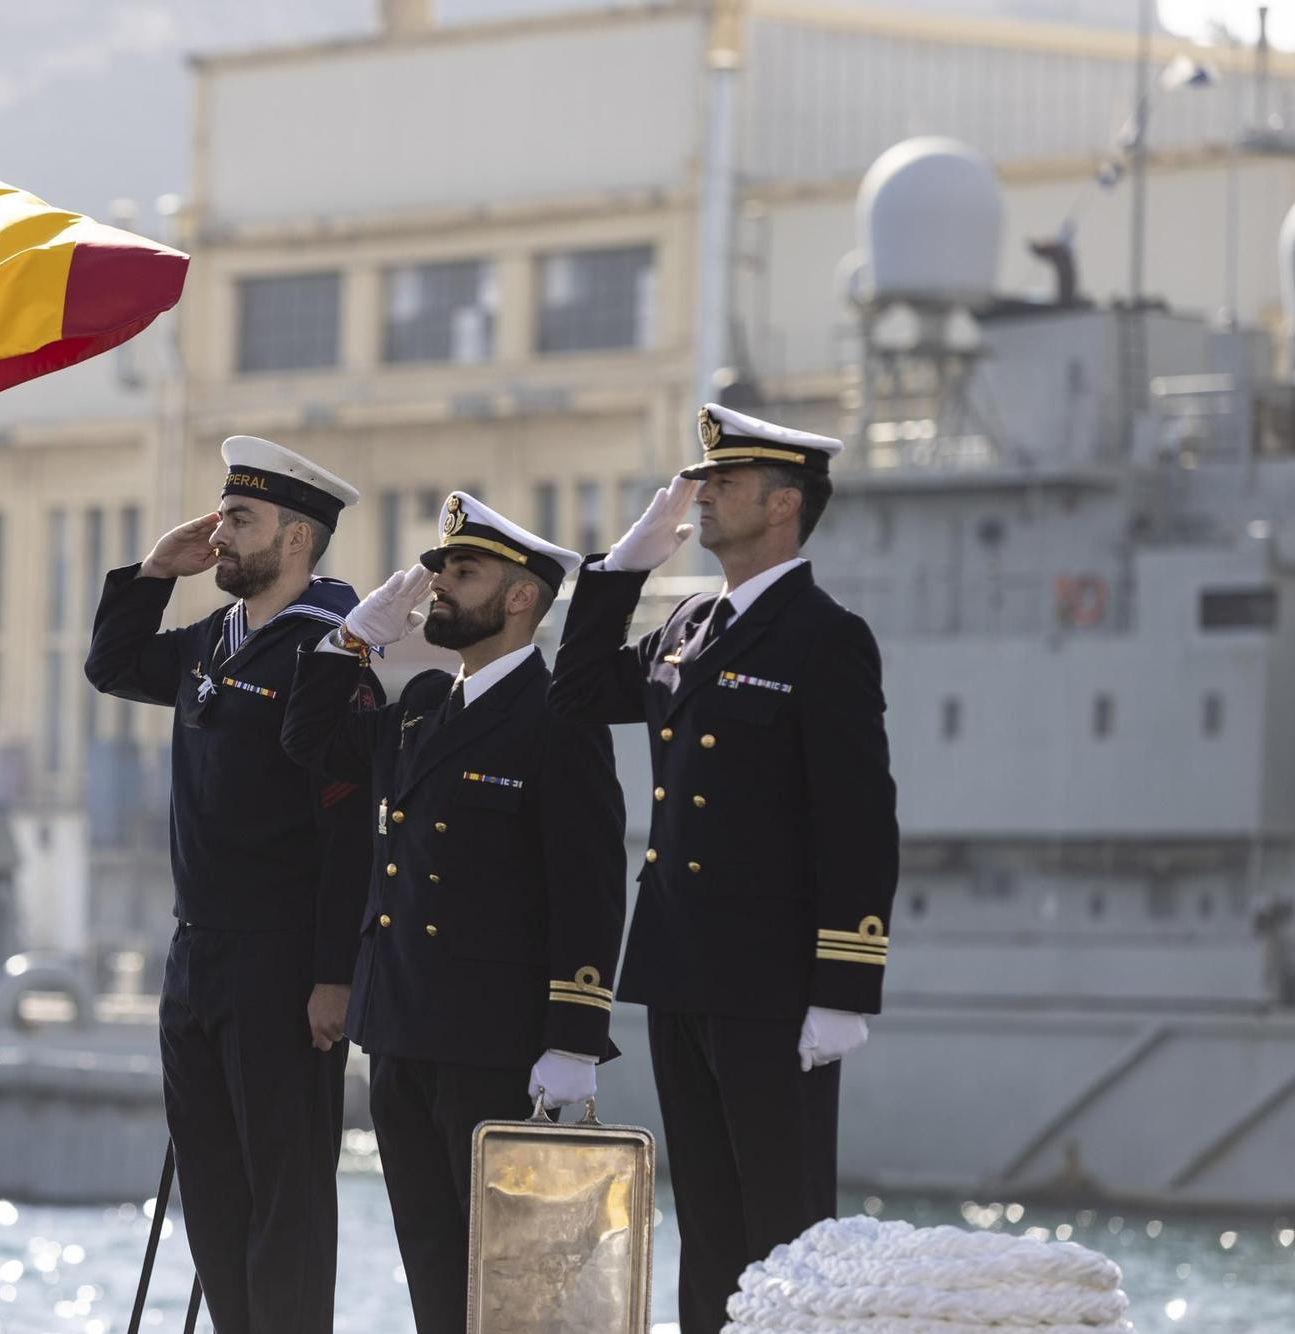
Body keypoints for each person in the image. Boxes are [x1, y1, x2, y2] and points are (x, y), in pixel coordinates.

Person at [547, 403, 900, 1334]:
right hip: (678, 971)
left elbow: (859, 822)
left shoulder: (825, 638)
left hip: (773, 986)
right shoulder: (688, 627)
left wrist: (844, 988)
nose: (700, 499)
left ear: (784, 506)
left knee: (783, 1229)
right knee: (702, 1224)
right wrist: (622, 568)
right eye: (700, 482)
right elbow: (577, 690)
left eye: (724, 484)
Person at [281, 491, 627, 1334]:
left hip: (495, 1045)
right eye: (438, 569)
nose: (439, 586)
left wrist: (574, 1039)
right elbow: (308, 738)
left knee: (516, 1281)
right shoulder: (424, 706)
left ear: (519, 599)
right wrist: (351, 642)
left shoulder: (559, 718)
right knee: (433, 1264)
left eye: (463, 572)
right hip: (400, 1031)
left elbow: (590, 883)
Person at [84, 435, 379, 1334]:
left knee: (285, 1196)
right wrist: (151, 572)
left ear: (297, 538)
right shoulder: (217, 636)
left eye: (239, 521)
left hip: (283, 964)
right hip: (196, 955)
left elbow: (349, 827)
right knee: (212, 1190)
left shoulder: (334, 649)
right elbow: (114, 666)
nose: (218, 535)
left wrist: (335, 973)